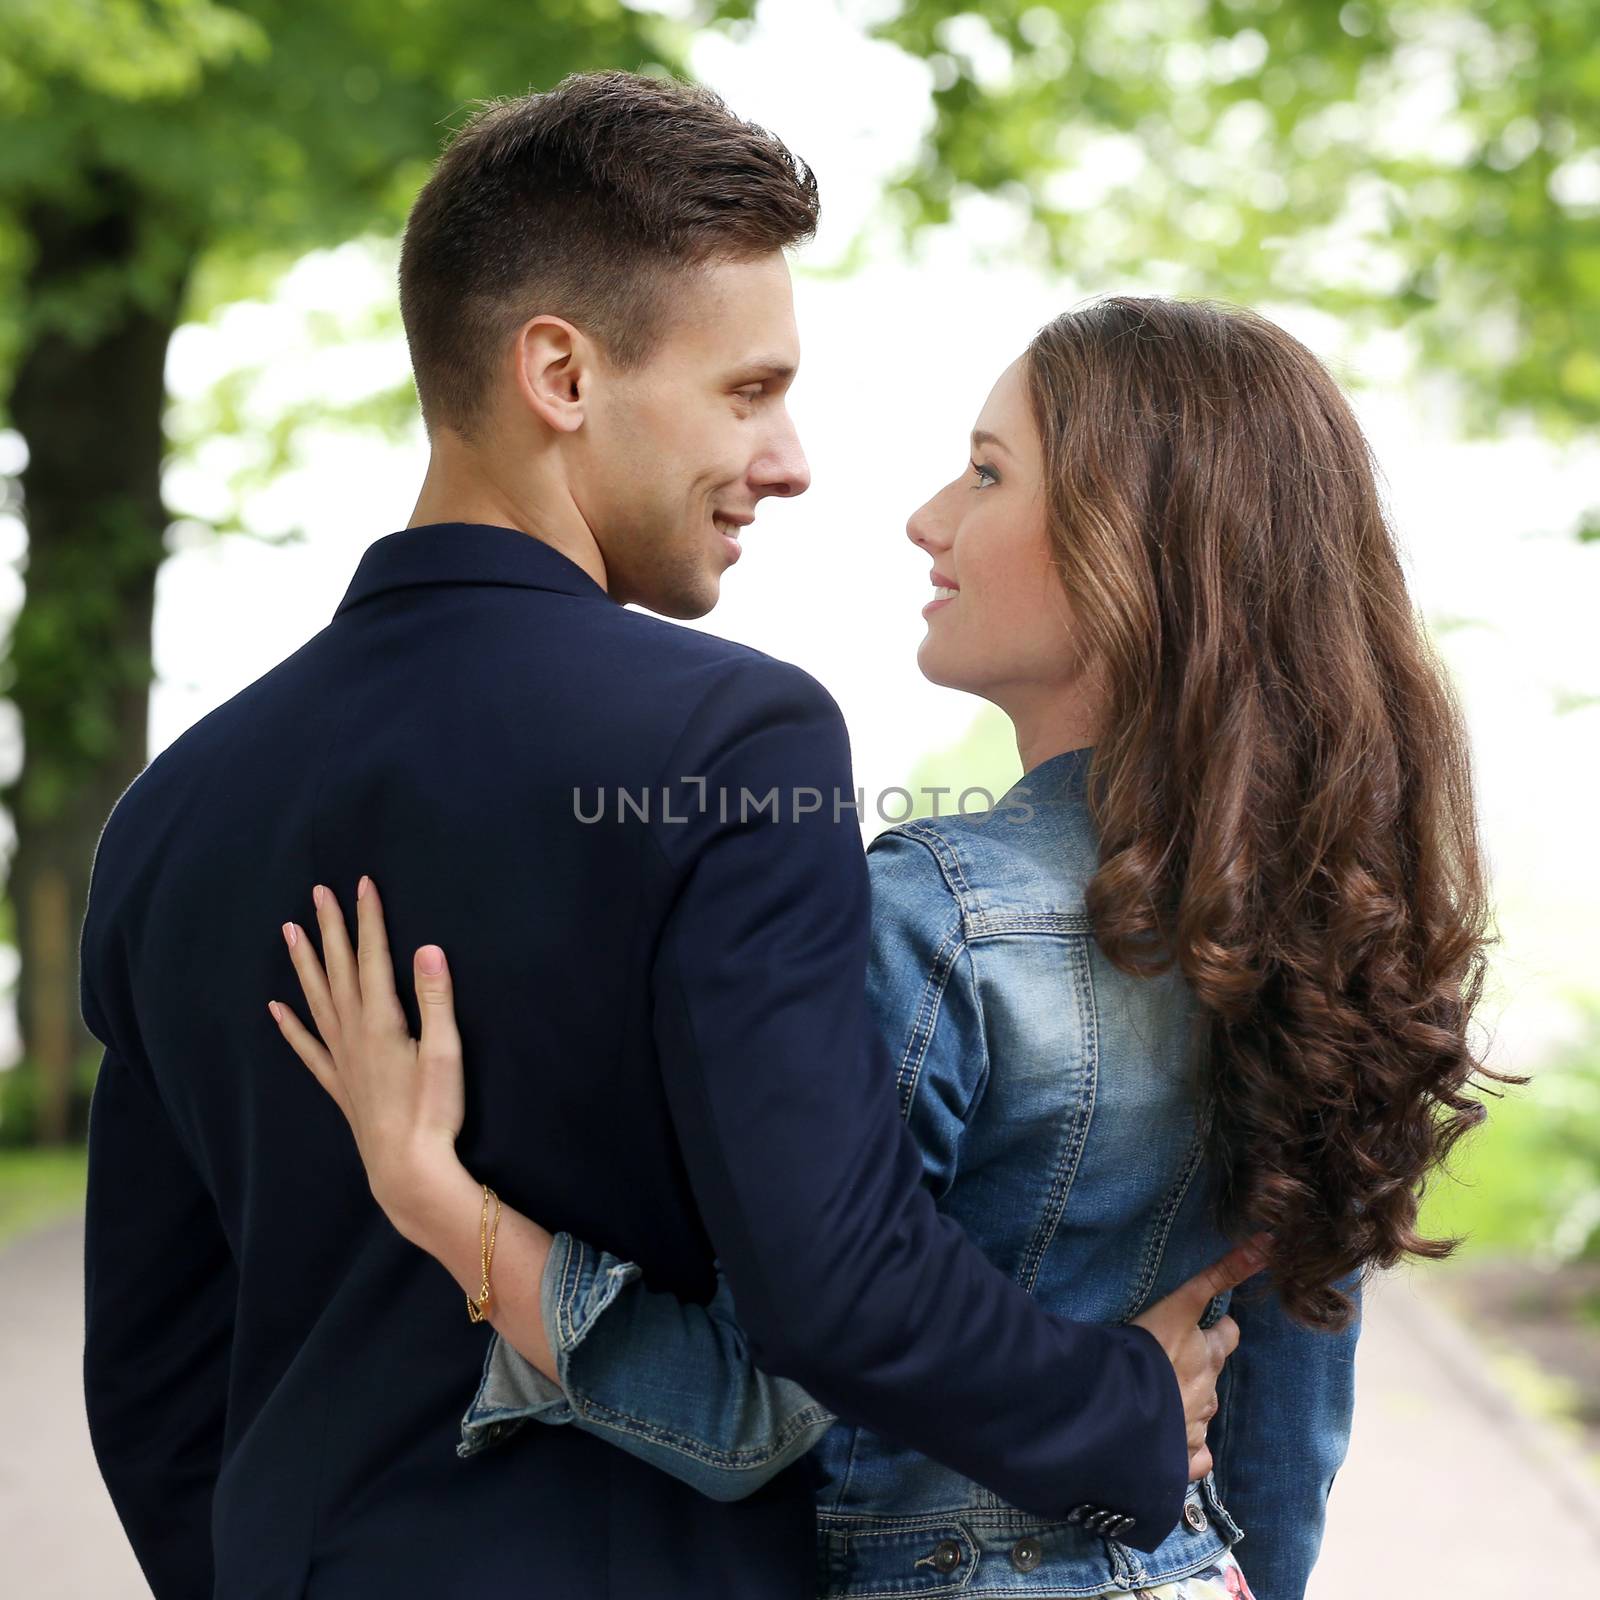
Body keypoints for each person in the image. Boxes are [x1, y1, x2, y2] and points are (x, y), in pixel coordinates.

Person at [78, 73, 1249, 1600]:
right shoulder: (731, 743)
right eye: (746, 393)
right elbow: (837, 1291)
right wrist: (1123, 1417)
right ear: (559, 373)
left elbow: (153, 1376)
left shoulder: (172, 812)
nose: (793, 461)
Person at [272, 295, 1501, 1600]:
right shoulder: (1322, 930)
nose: (930, 518)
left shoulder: (936, 918)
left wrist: (435, 1199)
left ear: (1131, 551)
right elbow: (1283, 1446)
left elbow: (751, 1412)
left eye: (987, 472)